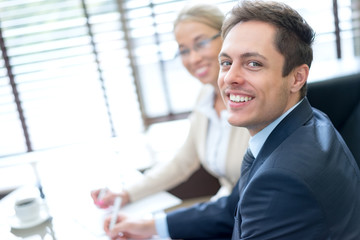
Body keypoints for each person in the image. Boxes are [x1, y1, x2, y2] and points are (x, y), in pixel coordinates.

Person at [103, 1, 360, 239]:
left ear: (297, 78)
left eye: (253, 64)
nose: (230, 77)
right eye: (226, 62)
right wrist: (151, 226)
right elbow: (233, 204)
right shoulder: (300, 124)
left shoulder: (280, 177)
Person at [91, 3, 249, 209]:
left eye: (200, 43)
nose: (193, 58)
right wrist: (126, 194)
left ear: (227, 38)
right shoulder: (205, 97)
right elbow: (182, 163)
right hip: (226, 210)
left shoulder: (250, 98)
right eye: (183, 50)